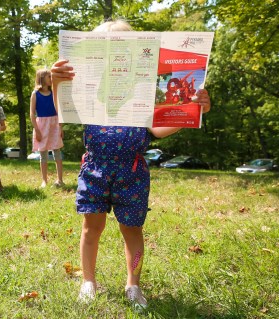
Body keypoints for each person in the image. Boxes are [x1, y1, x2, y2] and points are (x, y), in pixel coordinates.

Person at [50, 20, 212, 308]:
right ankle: (89, 281)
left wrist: (192, 111)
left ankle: (133, 285)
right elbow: (65, 111)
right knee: (91, 228)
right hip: (95, 170)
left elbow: (159, 130)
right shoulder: (88, 90)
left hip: (133, 173)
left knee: (132, 230)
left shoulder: (142, 93)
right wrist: (56, 81)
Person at [30, 69, 65, 188]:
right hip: (41, 125)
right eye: (49, 76)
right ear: (41, 78)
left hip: (54, 124)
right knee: (43, 154)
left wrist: (60, 127)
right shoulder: (35, 94)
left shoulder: (54, 92)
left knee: (57, 152)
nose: (51, 78)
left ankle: (60, 179)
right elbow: (31, 114)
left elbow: (59, 111)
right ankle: (44, 180)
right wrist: (37, 130)